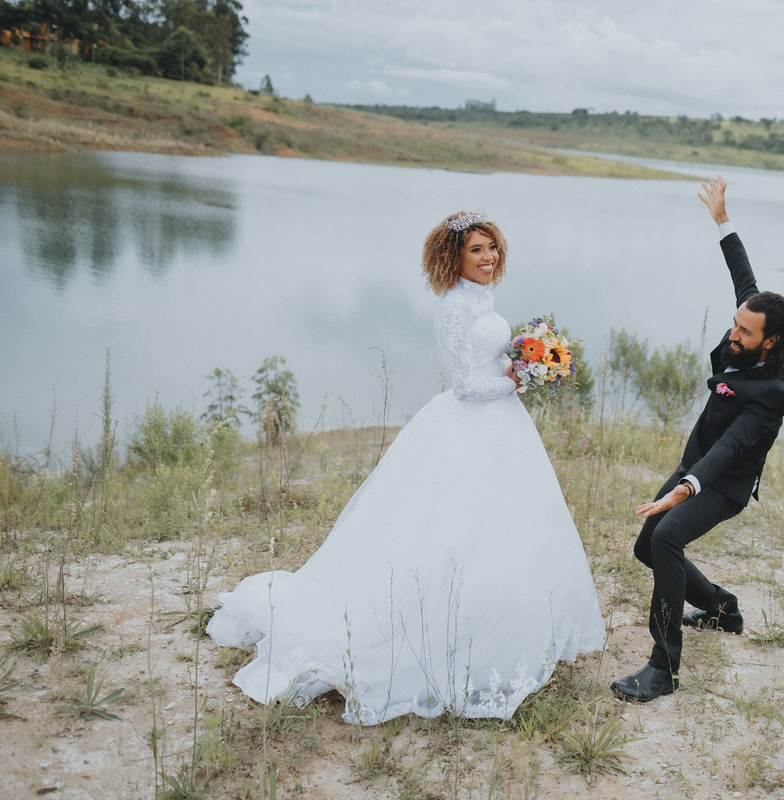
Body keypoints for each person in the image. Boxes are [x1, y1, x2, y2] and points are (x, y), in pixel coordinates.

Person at [208, 210, 606, 723]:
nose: (488, 258)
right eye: (477, 250)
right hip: (469, 424)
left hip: (503, 426)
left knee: (506, 530)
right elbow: (466, 386)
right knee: (446, 531)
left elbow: (487, 361)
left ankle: (504, 625)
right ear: (453, 257)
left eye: (492, 248)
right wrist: (516, 380)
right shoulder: (452, 309)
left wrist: (522, 365)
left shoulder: (481, 298)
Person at [611, 176, 784, 703]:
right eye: (734, 324)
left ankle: (663, 668)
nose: (733, 334)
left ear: (771, 340)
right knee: (647, 546)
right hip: (695, 466)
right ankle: (722, 608)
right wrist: (722, 219)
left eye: (744, 332)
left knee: (667, 540)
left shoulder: (776, 391)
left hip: (723, 482)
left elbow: (730, 447)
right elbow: (743, 274)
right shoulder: (753, 320)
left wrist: (685, 488)